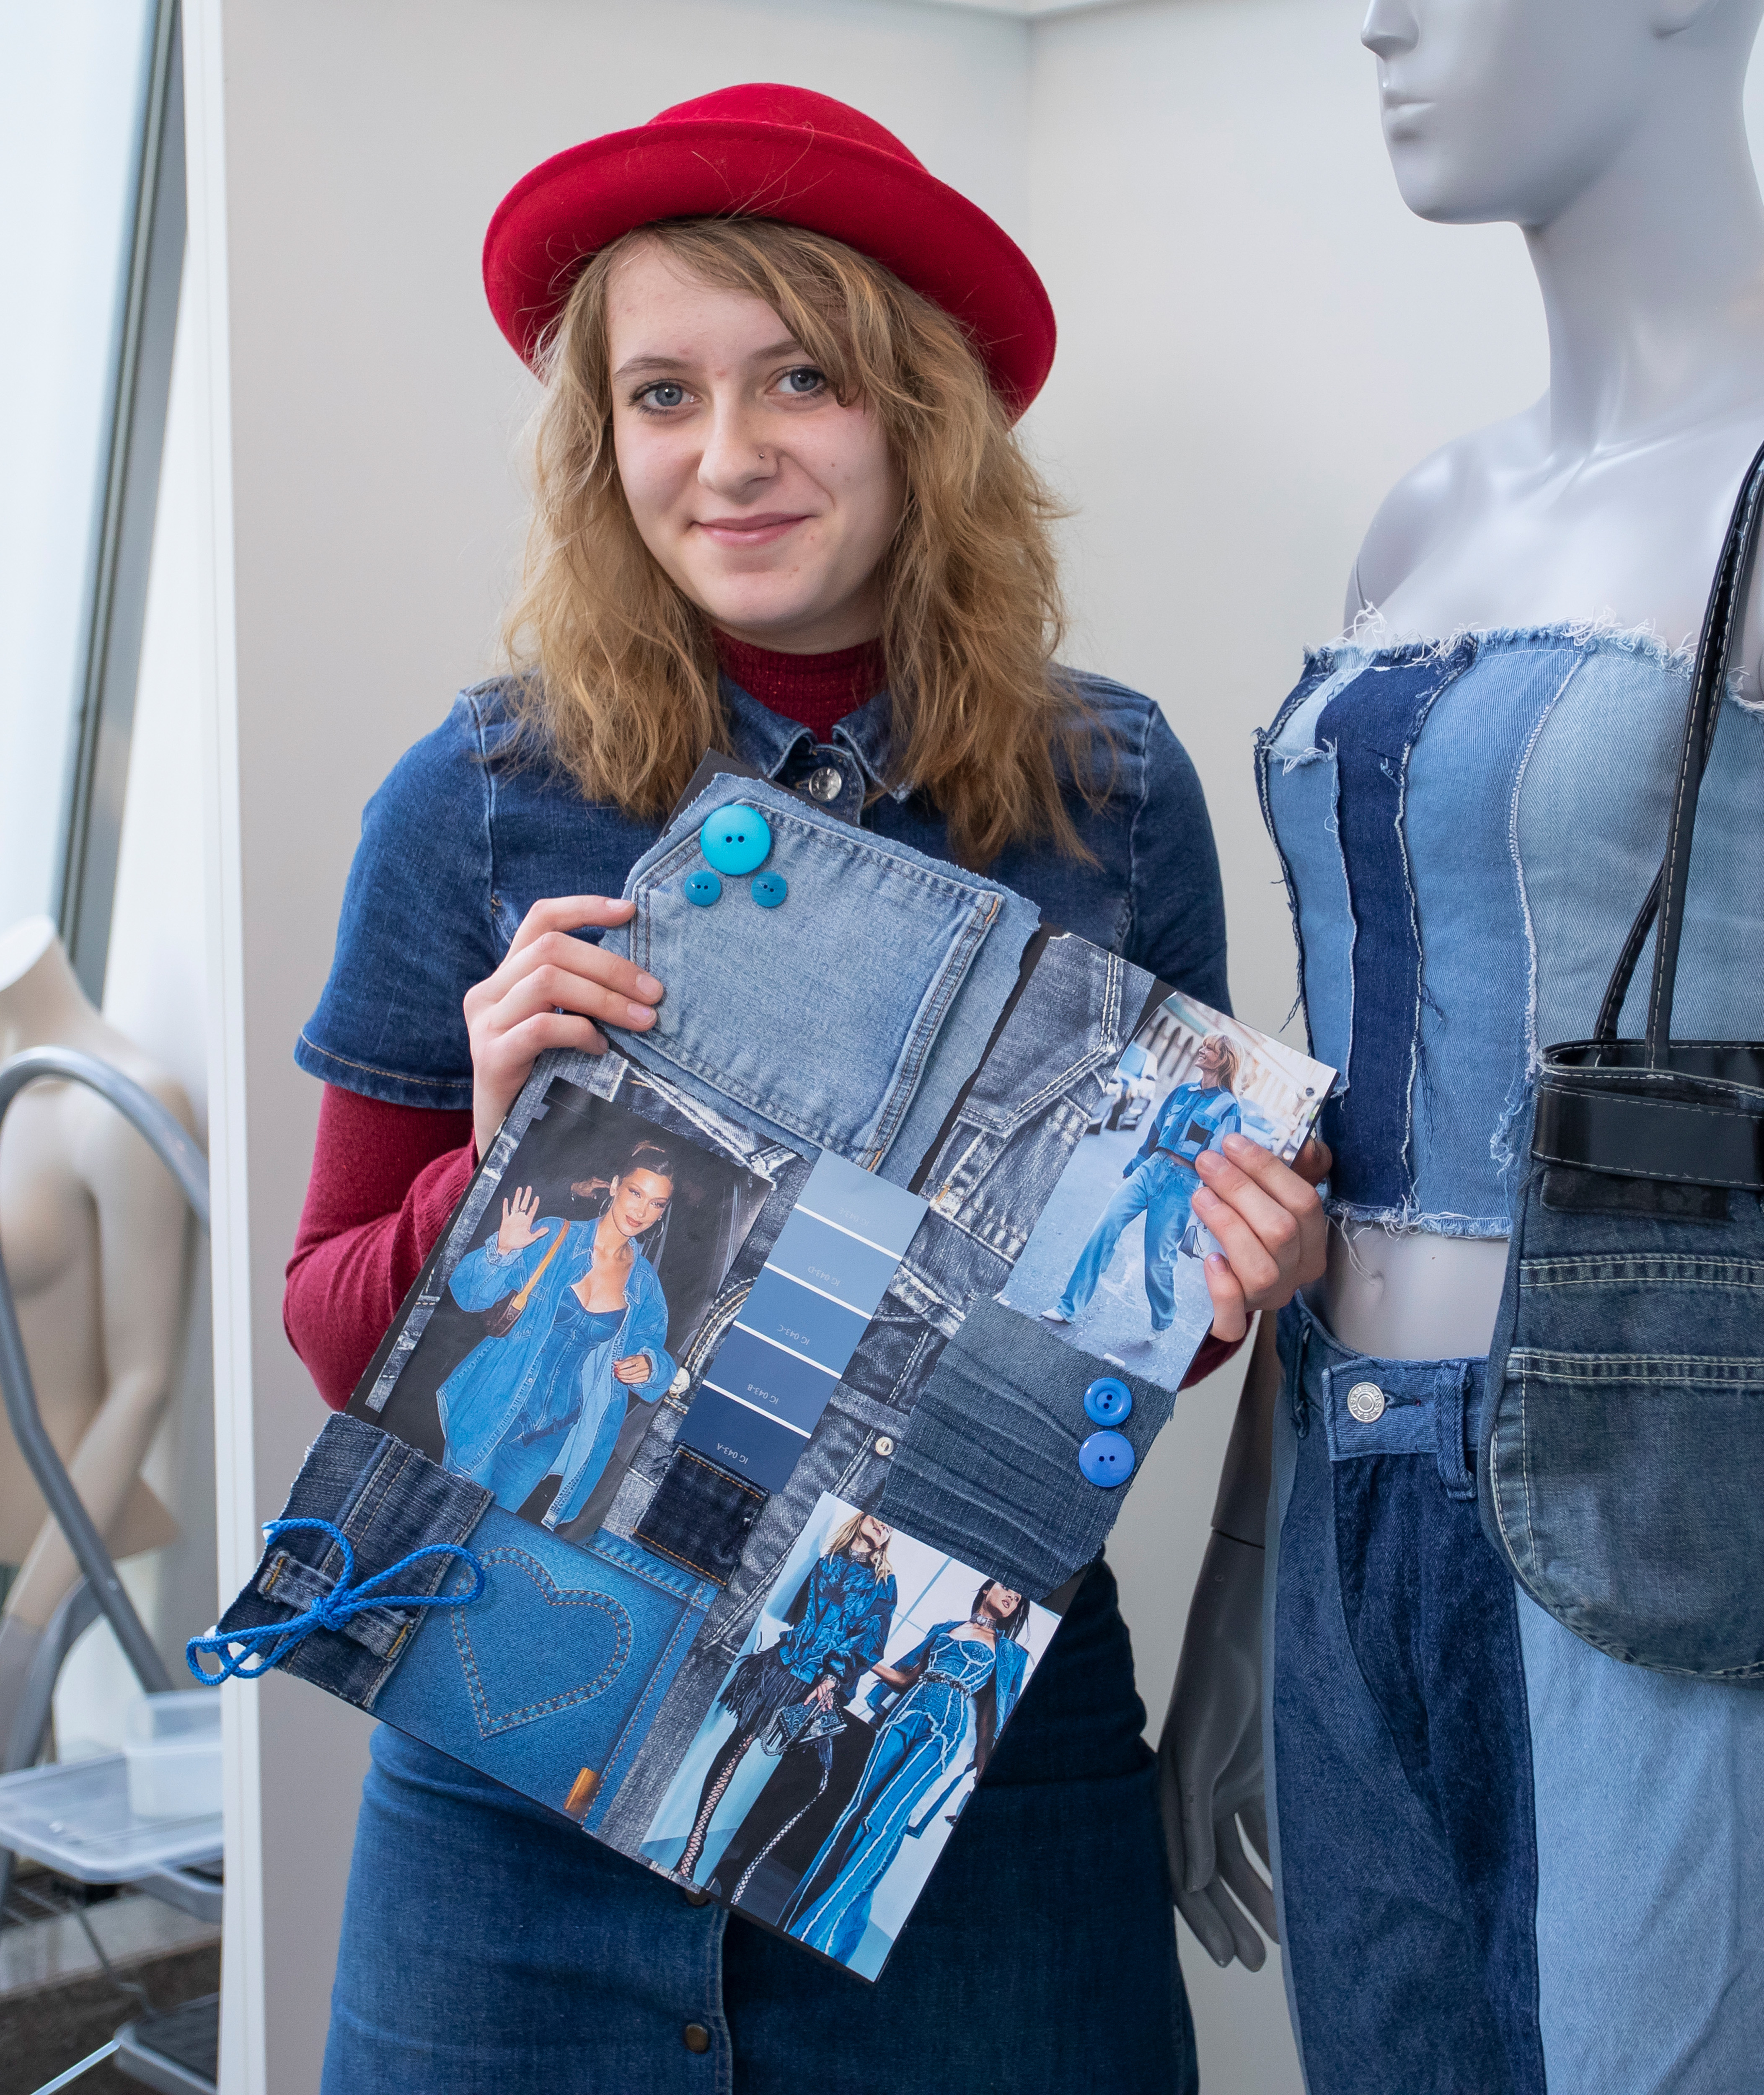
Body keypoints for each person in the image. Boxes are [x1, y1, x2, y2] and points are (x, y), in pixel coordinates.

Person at [282, 83, 1318, 2095]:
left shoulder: (1109, 794)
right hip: (517, 1767)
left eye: (801, 382)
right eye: (661, 396)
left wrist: (1223, 1274)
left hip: (962, 1787)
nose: (728, 455)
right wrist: (494, 1169)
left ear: (916, 413)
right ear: (604, 445)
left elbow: (1111, 1361)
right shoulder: (477, 798)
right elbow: (339, 1320)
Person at [1160, 7, 1764, 2094]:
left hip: (1670, 1531)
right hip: (1339, 1517)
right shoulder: (1421, 526)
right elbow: (1328, 1142)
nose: (1377, 18)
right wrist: (1237, 1614)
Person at [780, 1580, 1032, 1968]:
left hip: (945, 1728)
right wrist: (859, 1653)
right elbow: (904, 1679)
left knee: (883, 1824)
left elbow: (988, 1725)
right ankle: (805, 1920)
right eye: (1009, 1587)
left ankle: (815, 1932)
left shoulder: (1010, 1653)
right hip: (903, 1716)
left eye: (1019, 1598)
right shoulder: (943, 1629)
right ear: (985, 1588)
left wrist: (981, 1786)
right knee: (856, 1812)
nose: (1013, 1596)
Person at [437, 1140, 677, 1518]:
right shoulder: (555, 1235)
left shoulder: (644, 1285)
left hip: (550, 1432)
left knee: (488, 1535)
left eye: (657, 1203)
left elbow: (656, 1359)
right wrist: (500, 1250)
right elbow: (468, 1295)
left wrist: (650, 1365)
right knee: (448, 1517)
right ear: (614, 1186)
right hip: (496, 1402)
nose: (642, 1210)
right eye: (636, 1193)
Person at [658, 1512, 898, 1883]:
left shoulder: (884, 1582)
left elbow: (870, 1640)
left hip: (820, 1684)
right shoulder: (826, 1561)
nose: (886, 1526)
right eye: (880, 1519)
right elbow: (799, 1613)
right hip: (782, 1669)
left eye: (890, 1527)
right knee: (737, 1747)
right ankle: (694, 1846)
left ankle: (741, 1867)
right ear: (861, 1519)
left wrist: (834, 1676)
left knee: (813, 1779)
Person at [1046, 1032, 1242, 1337]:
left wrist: (1209, 1203)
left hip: (1182, 1185)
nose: (1201, 1050)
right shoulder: (1182, 1091)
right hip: (1151, 1169)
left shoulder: (1229, 1107)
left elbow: (1220, 1163)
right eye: (1202, 1045)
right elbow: (1155, 1131)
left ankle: (1164, 1317)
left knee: (1157, 1264)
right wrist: (1136, 1165)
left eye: (1210, 1048)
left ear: (1224, 1060)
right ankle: (1068, 1307)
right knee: (1106, 1226)